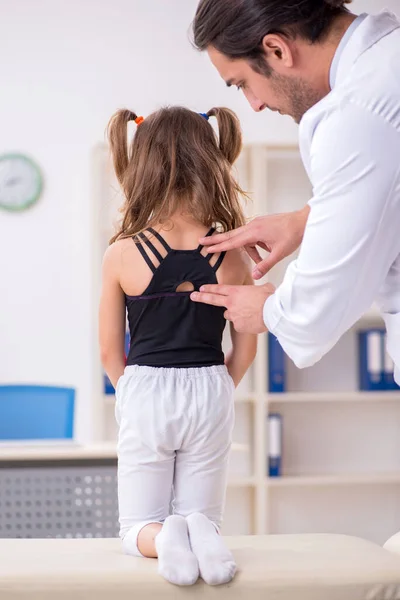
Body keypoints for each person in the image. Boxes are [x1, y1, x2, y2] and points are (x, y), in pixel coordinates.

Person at [191, 0, 400, 382]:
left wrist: (268, 311)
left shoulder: (358, 115)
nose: (253, 104)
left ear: (277, 49)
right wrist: (308, 219)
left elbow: (316, 314)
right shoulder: (388, 60)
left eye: (242, 84)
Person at [99, 106, 257, 586]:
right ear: (211, 159)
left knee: (134, 527)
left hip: (145, 388)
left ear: (142, 164)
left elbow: (110, 351)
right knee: (202, 514)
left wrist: (132, 394)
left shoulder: (123, 253)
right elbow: (246, 346)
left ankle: (162, 535)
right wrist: (219, 387)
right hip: (210, 385)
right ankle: (200, 531)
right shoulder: (230, 250)